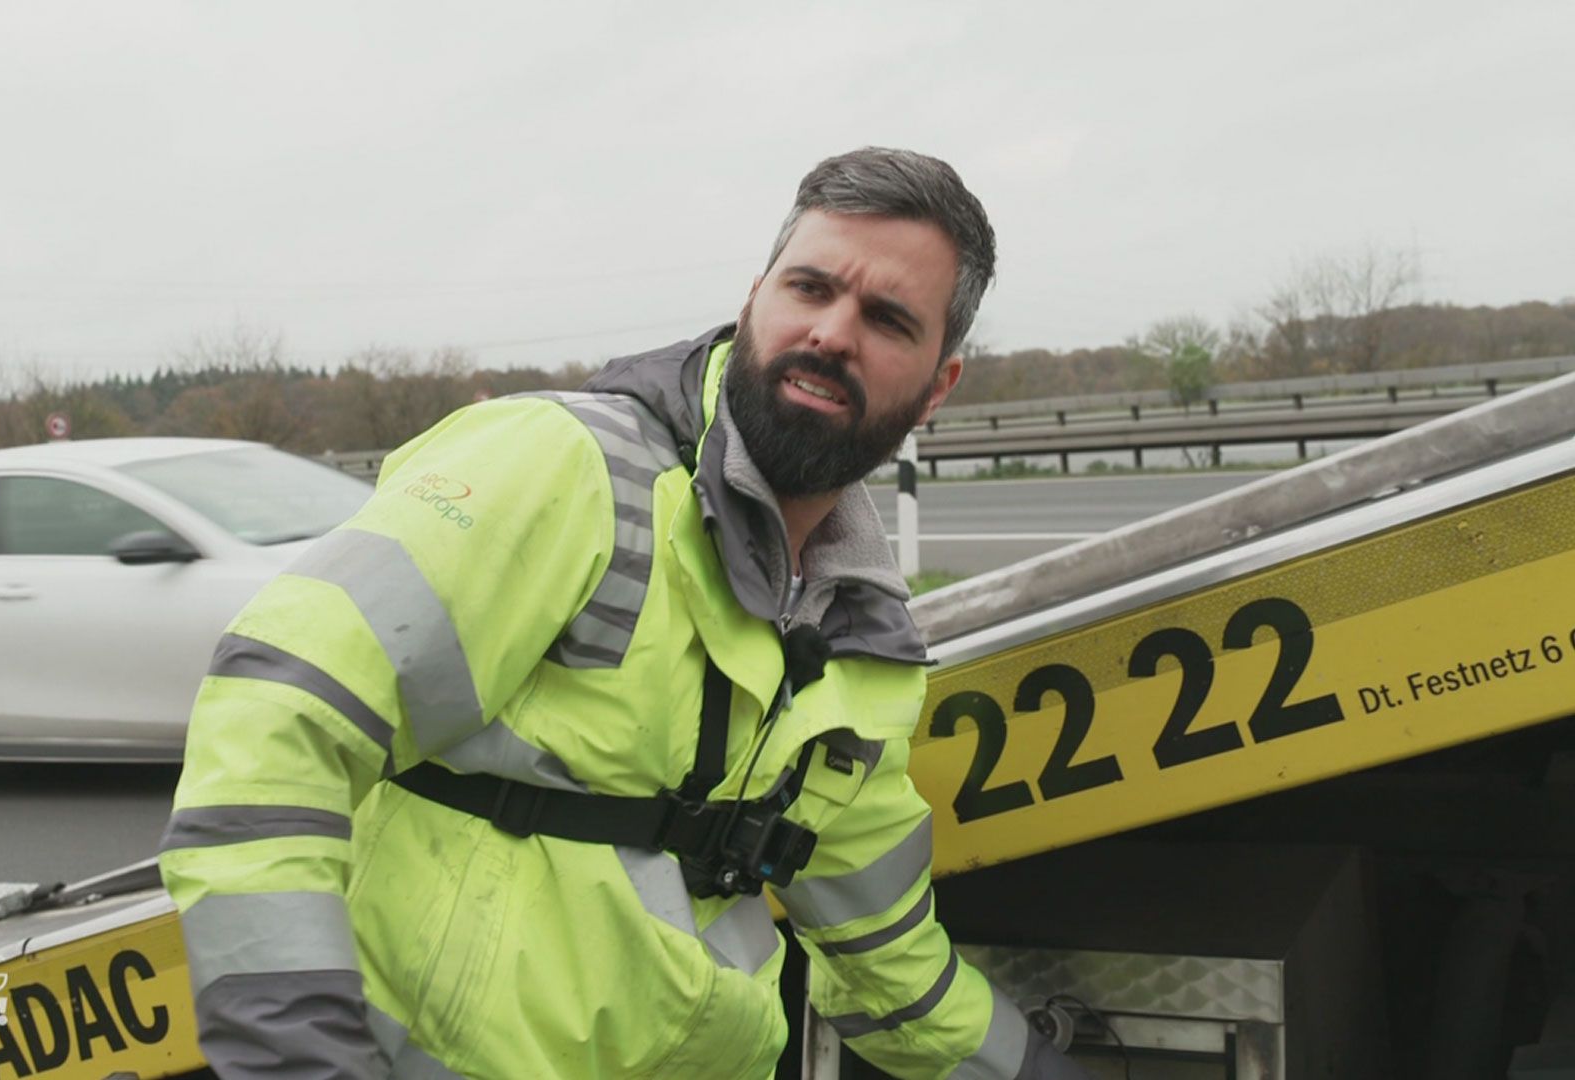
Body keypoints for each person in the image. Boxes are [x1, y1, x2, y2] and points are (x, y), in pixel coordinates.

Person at [158, 147, 1090, 1079]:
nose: (832, 332)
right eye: (810, 288)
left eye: (887, 319)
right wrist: (301, 1057)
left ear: (938, 387)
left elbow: (890, 968)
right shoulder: (567, 467)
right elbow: (276, 721)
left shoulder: (863, 647)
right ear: (754, 299)